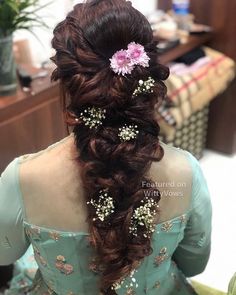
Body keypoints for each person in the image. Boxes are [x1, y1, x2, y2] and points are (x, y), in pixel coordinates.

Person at [0, 0, 212, 294]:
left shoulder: (22, 178)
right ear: (145, 81)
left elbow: (5, 255)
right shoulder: (186, 171)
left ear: (69, 86)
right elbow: (194, 265)